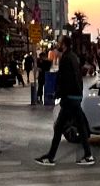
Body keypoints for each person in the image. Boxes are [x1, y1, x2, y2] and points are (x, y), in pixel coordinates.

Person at [36, 36, 95, 166]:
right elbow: (77, 76)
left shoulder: (66, 58)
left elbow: (65, 79)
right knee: (80, 126)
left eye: (59, 43)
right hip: (76, 96)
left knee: (59, 127)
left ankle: (50, 157)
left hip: (69, 98)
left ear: (64, 45)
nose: (57, 44)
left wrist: (60, 95)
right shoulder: (73, 57)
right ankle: (88, 155)